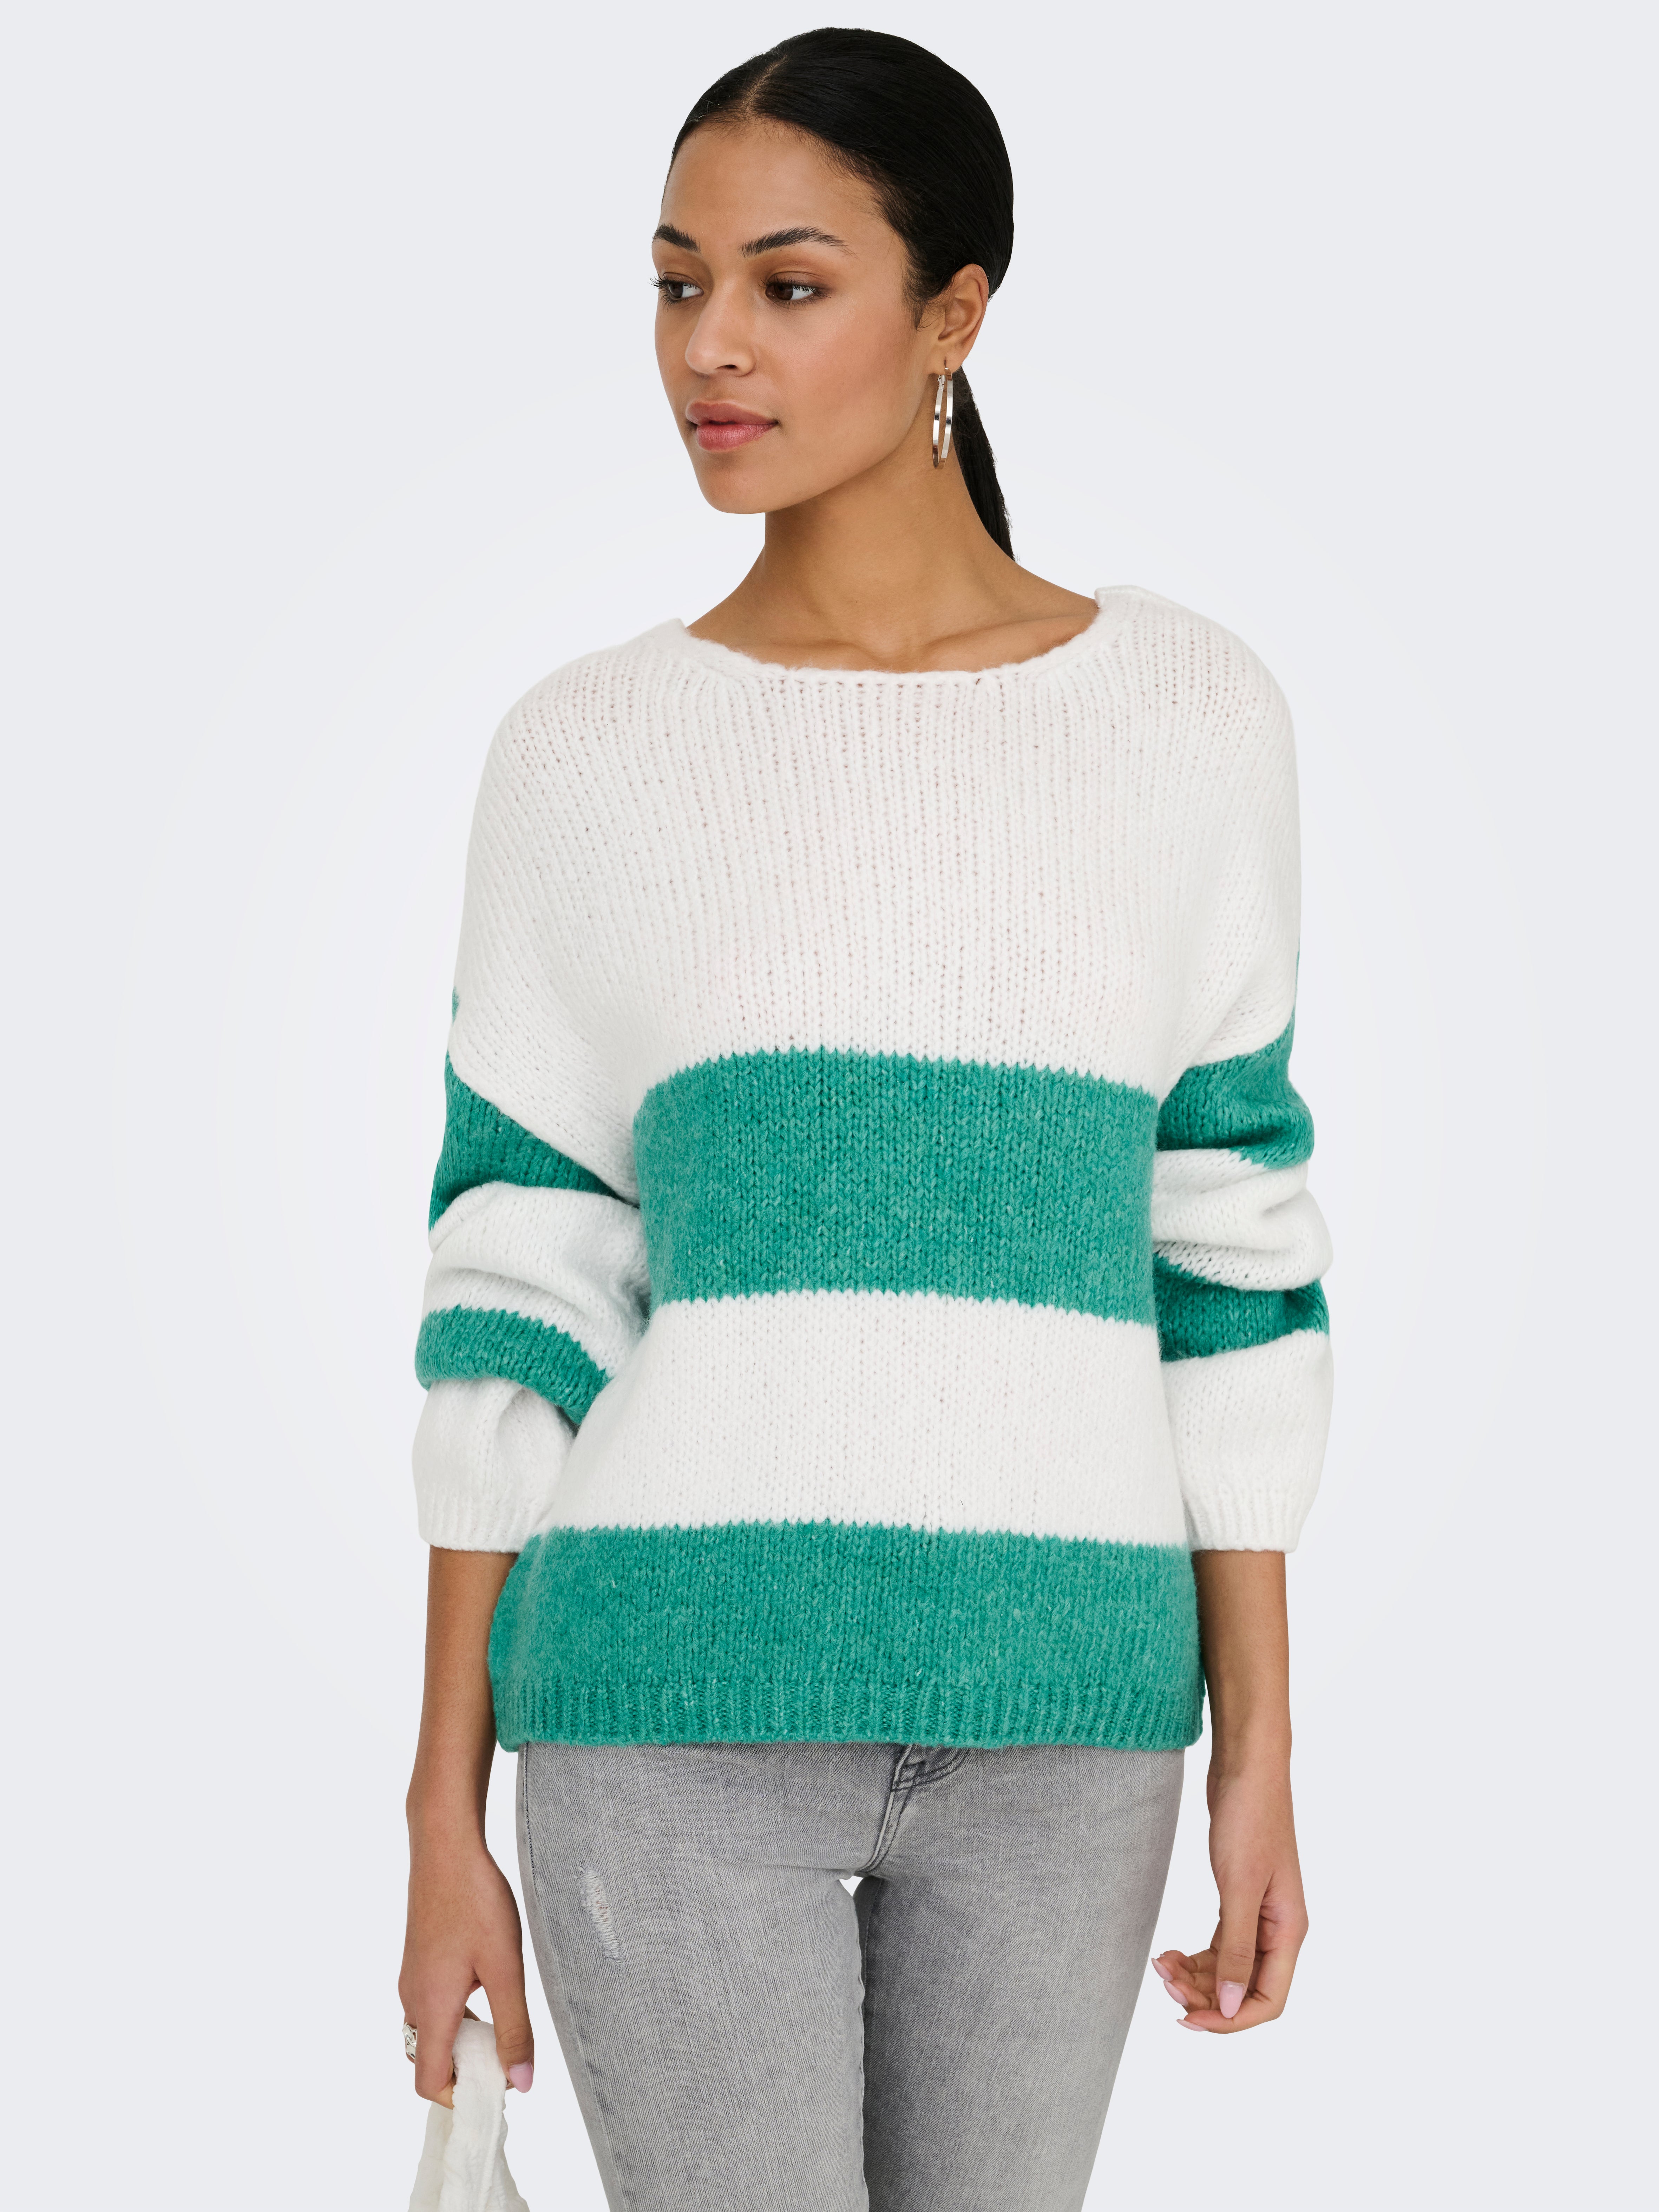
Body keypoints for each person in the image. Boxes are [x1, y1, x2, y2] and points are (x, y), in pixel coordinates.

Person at [398, 27, 1333, 2212]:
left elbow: (1229, 1247)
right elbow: (516, 1273)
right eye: (674, 284)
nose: (707, 347)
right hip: (663, 1708)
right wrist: (441, 1811)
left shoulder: (1189, 718)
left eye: (787, 285)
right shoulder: (587, 754)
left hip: (1073, 1716)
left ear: (953, 312)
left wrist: (1259, 1750)